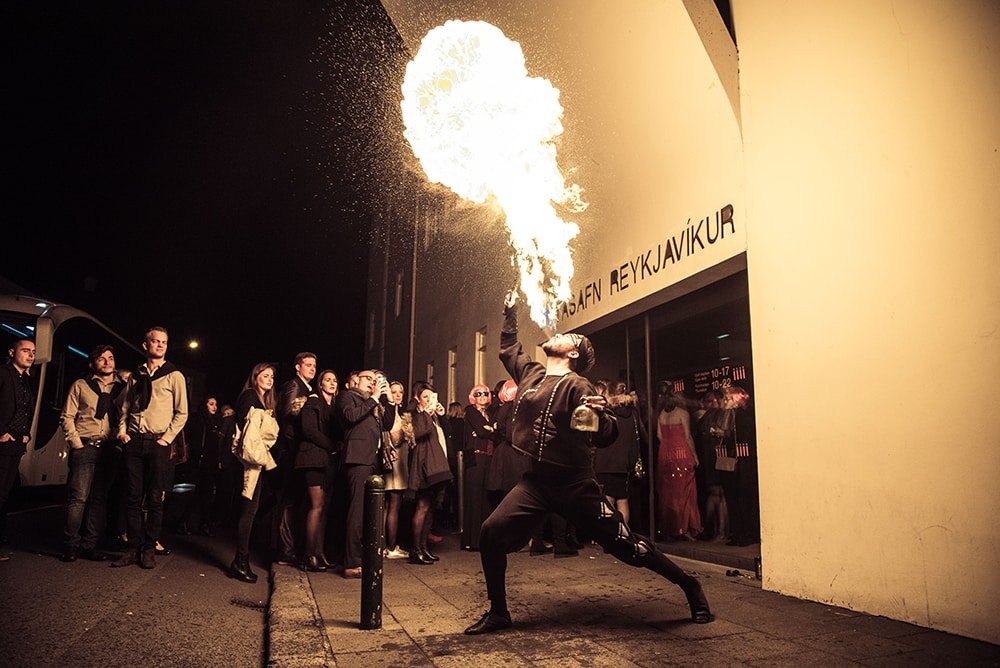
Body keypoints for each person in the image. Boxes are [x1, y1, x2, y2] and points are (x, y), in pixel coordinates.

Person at [464, 293, 713, 635]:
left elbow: (604, 433)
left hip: (574, 486)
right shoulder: (533, 375)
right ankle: (499, 612)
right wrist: (509, 311)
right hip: (535, 483)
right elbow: (509, 348)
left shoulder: (579, 385)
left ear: (573, 354)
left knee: (629, 548)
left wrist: (600, 418)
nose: (557, 334)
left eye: (567, 337)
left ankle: (690, 585)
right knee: (490, 532)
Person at [113, 327, 188, 570]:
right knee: (133, 496)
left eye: (164, 342)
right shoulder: (137, 374)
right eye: (155, 341)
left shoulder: (174, 375)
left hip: (158, 443)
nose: (160, 345)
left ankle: (148, 549)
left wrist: (166, 439)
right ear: (145, 345)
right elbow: (125, 407)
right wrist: (123, 432)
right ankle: (132, 548)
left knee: (155, 498)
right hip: (135, 441)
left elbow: (182, 412)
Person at [59, 345, 126, 562]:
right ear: (92, 363)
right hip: (85, 446)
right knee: (78, 498)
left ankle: (90, 545)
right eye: (101, 358)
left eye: (111, 358)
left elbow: (127, 416)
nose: (107, 362)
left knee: (99, 499)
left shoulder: (123, 388)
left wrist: (118, 440)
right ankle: (71, 545)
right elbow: (67, 416)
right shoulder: (80, 385)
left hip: (109, 449)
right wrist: (76, 443)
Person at [336, 370, 394, 578]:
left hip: (373, 460)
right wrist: (374, 398)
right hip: (358, 459)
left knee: (370, 512)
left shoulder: (372, 401)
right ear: (356, 380)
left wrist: (390, 400)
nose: (372, 382)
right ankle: (351, 563)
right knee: (357, 510)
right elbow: (351, 417)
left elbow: (387, 424)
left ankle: (365, 558)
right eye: (368, 378)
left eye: (375, 379)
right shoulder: (348, 396)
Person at [228, 363, 279, 583]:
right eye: (265, 375)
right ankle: (240, 562)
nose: (270, 379)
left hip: (256, 460)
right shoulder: (249, 396)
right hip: (248, 461)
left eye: (272, 376)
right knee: (248, 510)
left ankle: (240, 561)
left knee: (251, 509)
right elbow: (248, 432)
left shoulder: (264, 400)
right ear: (255, 376)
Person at [401, 381, 452, 565]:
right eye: (425, 396)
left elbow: (447, 433)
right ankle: (415, 550)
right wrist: (426, 412)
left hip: (436, 467)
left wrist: (441, 415)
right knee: (422, 507)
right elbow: (419, 432)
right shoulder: (414, 413)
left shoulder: (431, 414)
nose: (429, 400)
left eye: (431, 396)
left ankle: (424, 548)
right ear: (417, 398)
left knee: (430, 508)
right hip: (423, 467)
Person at [294, 369, 340, 572]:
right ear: (321, 384)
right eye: (328, 380)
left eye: (334, 380)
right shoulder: (313, 402)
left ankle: (319, 554)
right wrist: (332, 446)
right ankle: (308, 556)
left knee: (325, 508)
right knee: (317, 506)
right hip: (313, 459)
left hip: (329, 462)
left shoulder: (335, 406)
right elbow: (309, 430)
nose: (332, 383)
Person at [274, 352, 317, 565]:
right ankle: (285, 550)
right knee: (289, 500)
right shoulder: (294, 385)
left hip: (296, 450)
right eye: (308, 365)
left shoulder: (307, 388)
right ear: (298, 367)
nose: (312, 368)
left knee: (296, 500)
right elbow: (288, 412)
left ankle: (291, 548)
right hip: (290, 450)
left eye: (314, 365)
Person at [0, 338, 36, 560]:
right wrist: (1, 432)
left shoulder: (25, 380)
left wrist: (26, 434)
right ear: (12, 352)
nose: (31, 355)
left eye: (33, 351)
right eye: (26, 351)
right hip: (3, 441)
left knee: (5, 493)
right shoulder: (3, 373)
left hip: (16, 444)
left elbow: (25, 410)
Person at [595, 381, 646, 527]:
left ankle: (610, 533)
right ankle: (623, 533)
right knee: (623, 501)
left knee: (607, 501)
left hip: (605, 462)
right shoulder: (633, 412)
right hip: (625, 464)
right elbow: (641, 435)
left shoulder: (606, 411)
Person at [655, 391, 703, 541]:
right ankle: (684, 528)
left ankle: (670, 527)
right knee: (685, 491)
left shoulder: (662, 414)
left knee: (667, 493)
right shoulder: (683, 413)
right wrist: (694, 455)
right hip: (681, 453)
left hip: (665, 455)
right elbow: (687, 436)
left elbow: (659, 436)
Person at [180, 395, 224, 536]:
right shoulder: (196, 419)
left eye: (215, 404)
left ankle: (203, 525)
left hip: (210, 464)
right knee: (192, 494)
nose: (214, 407)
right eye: (211, 404)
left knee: (206, 496)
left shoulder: (217, 421)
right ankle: (183, 522)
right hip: (197, 462)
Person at [461, 384, 494, 551]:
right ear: (472, 397)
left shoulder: (489, 413)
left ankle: (483, 539)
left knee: (484, 498)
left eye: (485, 393)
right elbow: (482, 432)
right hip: (475, 459)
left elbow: (496, 433)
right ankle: (472, 541)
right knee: (474, 498)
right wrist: (490, 429)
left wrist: (489, 429)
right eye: (478, 394)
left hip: (487, 458)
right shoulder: (471, 411)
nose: (482, 396)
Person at [382, 380, 410, 560]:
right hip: (395, 464)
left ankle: (385, 546)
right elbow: (392, 439)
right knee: (393, 504)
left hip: (400, 464)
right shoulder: (390, 413)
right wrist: (407, 431)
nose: (398, 395)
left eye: (400, 392)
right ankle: (391, 547)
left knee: (389, 505)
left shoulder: (399, 413)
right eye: (394, 392)